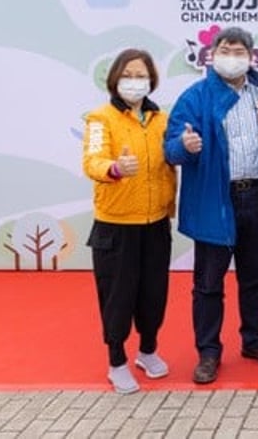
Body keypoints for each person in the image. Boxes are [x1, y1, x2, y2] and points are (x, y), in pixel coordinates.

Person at [164, 27, 258, 385]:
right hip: (214, 201)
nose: (232, 56)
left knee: (257, 278)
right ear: (212, 54)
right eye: (225, 49)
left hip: (257, 197)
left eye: (239, 50)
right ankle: (208, 351)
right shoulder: (196, 96)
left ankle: (254, 341)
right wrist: (184, 146)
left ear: (251, 56)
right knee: (208, 282)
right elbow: (170, 147)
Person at [82, 49, 177, 394]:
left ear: (151, 80)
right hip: (116, 225)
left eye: (142, 75)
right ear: (115, 79)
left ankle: (148, 351)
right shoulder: (99, 119)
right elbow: (92, 160)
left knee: (154, 293)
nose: (135, 82)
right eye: (128, 75)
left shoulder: (161, 119)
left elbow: (175, 153)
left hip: (155, 222)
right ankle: (117, 360)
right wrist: (115, 169)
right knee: (118, 296)